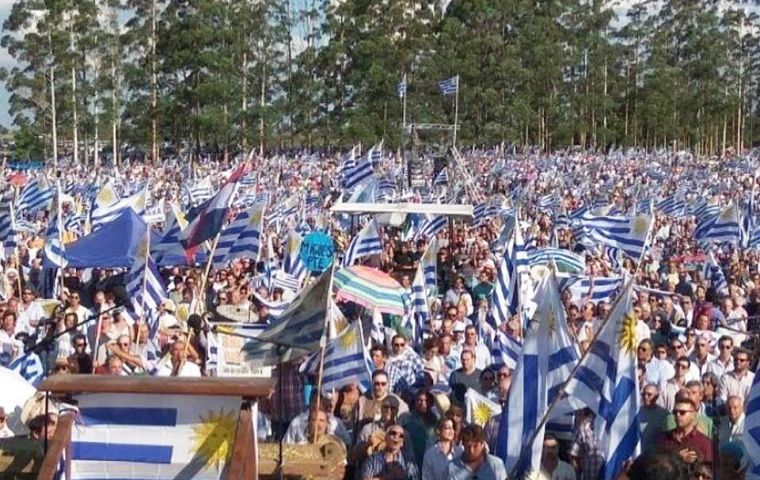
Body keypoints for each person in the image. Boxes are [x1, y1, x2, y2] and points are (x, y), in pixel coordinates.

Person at [656, 398, 713, 469]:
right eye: (675, 412)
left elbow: (709, 472)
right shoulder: (664, 439)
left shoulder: (704, 443)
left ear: (694, 415)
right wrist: (677, 458)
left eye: (682, 412)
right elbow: (656, 467)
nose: (677, 415)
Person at [639, 384, 668, 452]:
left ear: (656, 396)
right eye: (643, 394)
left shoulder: (664, 415)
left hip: (655, 454)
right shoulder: (637, 412)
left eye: (649, 394)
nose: (646, 397)